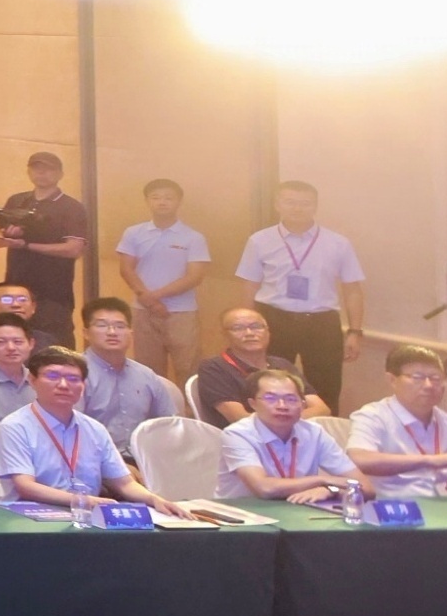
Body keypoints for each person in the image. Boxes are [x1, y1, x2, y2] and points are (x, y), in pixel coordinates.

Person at [0, 351, 177, 517]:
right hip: (30, 518)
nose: (63, 385)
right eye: (52, 376)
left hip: (86, 517)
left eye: (73, 379)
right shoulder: (15, 426)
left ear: (83, 385)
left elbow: (124, 483)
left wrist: (154, 499)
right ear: (32, 380)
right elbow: (25, 487)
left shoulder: (94, 429)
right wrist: (84, 500)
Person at [232, 182, 364, 400]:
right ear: (277, 205)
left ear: (316, 206)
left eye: (305, 203)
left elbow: (352, 289)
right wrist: (246, 327)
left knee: (326, 389)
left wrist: (355, 332)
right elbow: (249, 285)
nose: (297, 208)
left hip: (322, 322)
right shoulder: (259, 241)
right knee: (268, 385)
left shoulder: (338, 243)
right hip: (273, 319)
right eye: (290, 202)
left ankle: (321, 422)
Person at [345, 347, 447, 491]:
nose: (428, 385)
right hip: (393, 504)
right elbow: (359, 459)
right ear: (392, 380)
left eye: (436, 378)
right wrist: (430, 461)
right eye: (417, 377)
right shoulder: (372, 417)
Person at [115, 177, 209, 388]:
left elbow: (195, 277)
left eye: (168, 198)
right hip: (143, 311)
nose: (162, 202)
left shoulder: (193, 237)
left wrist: (154, 297)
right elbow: (126, 269)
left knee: (188, 368)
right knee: (148, 371)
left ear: (179, 202)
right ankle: (154, 409)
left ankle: (188, 408)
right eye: (155, 197)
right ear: (147, 201)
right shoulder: (133, 233)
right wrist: (148, 301)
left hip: (182, 313)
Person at [220, 367, 361, 507]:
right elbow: (264, 488)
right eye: (270, 398)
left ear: (303, 405)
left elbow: (364, 487)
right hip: (240, 514)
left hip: (299, 512)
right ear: (253, 404)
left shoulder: (314, 433)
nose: (282, 406)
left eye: (291, 399)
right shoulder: (238, 434)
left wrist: (331, 490)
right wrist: (322, 480)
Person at [0, 150, 88, 329]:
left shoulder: (72, 207)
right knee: (13, 336)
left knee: (54, 340)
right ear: (28, 172)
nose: (41, 173)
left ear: (60, 174)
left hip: (53, 293)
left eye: (48, 169)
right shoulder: (16, 200)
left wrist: (27, 245)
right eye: (36, 168)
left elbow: (74, 249)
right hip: (15, 287)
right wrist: (7, 236)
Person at [73, 299, 185, 438]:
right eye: (102, 325)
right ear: (86, 333)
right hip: (91, 451)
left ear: (130, 333)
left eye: (120, 326)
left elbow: (170, 426)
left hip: (141, 451)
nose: (112, 332)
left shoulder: (146, 375)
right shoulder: (73, 375)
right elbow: (68, 431)